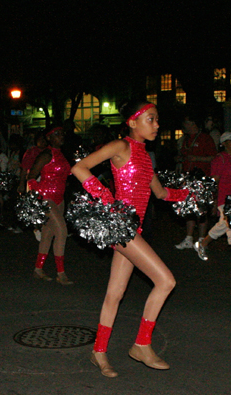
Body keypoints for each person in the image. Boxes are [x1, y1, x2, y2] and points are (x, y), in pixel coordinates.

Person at [71, 100, 189, 378]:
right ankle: (142, 345)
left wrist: (191, 195)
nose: (157, 125)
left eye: (157, 119)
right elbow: (80, 168)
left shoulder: (146, 158)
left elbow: (161, 194)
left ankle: (98, 352)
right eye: (151, 119)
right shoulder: (120, 146)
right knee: (166, 280)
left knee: (115, 294)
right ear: (133, 122)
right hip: (121, 228)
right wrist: (107, 200)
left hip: (131, 231)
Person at [26, 127, 74, 285]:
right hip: (46, 198)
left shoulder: (62, 154)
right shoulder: (46, 154)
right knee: (62, 231)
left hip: (59, 199)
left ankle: (38, 269)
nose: (61, 137)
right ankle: (61, 273)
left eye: (62, 134)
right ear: (49, 138)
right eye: (57, 135)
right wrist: (35, 199)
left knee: (47, 234)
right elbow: (31, 176)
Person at [194, 132, 231, 267]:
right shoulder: (220, 159)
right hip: (225, 198)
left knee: (225, 225)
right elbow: (215, 181)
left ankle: (202, 243)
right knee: (230, 226)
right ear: (223, 143)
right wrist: (213, 201)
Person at [174, 114, 217, 249]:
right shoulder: (185, 139)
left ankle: (201, 240)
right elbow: (184, 156)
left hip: (202, 179)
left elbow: (213, 158)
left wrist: (196, 158)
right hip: (188, 178)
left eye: (186, 123)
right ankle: (189, 238)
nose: (184, 126)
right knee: (189, 208)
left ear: (193, 123)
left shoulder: (205, 138)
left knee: (202, 209)